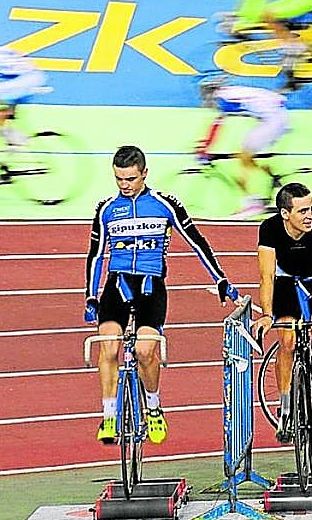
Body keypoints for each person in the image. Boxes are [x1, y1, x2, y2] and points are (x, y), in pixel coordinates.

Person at [84, 145, 238, 444]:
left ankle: (153, 408)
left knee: (144, 350)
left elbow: (197, 242)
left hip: (151, 287)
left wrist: (219, 278)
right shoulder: (106, 209)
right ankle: (108, 415)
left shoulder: (165, 204)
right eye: (119, 179)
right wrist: (90, 296)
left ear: (144, 173)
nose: (125, 185)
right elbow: (96, 255)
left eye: (130, 179)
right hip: (116, 285)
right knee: (108, 346)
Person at [250, 182, 312, 441]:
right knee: (287, 339)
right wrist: (267, 314)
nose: (309, 215)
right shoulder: (269, 229)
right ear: (285, 214)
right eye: (302, 211)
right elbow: (266, 276)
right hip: (286, 282)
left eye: (311, 208)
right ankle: (286, 409)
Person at [195, 76, 290, 218]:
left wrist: (204, 149)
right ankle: (272, 177)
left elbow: (217, 126)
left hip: (272, 122)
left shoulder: (224, 97)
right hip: (278, 118)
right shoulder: (233, 92)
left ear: (212, 91)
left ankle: (252, 204)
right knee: (246, 156)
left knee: (242, 158)